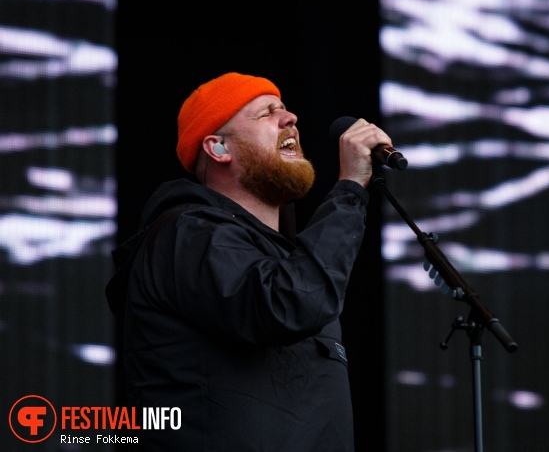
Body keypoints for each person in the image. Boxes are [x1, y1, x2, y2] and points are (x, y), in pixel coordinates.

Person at [106, 72, 392, 451]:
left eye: (286, 109)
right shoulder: (187, 234)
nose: (289, 118)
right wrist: (351, 187)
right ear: (219, 148)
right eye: (266, 113)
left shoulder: (289, 260)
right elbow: (290, 303)